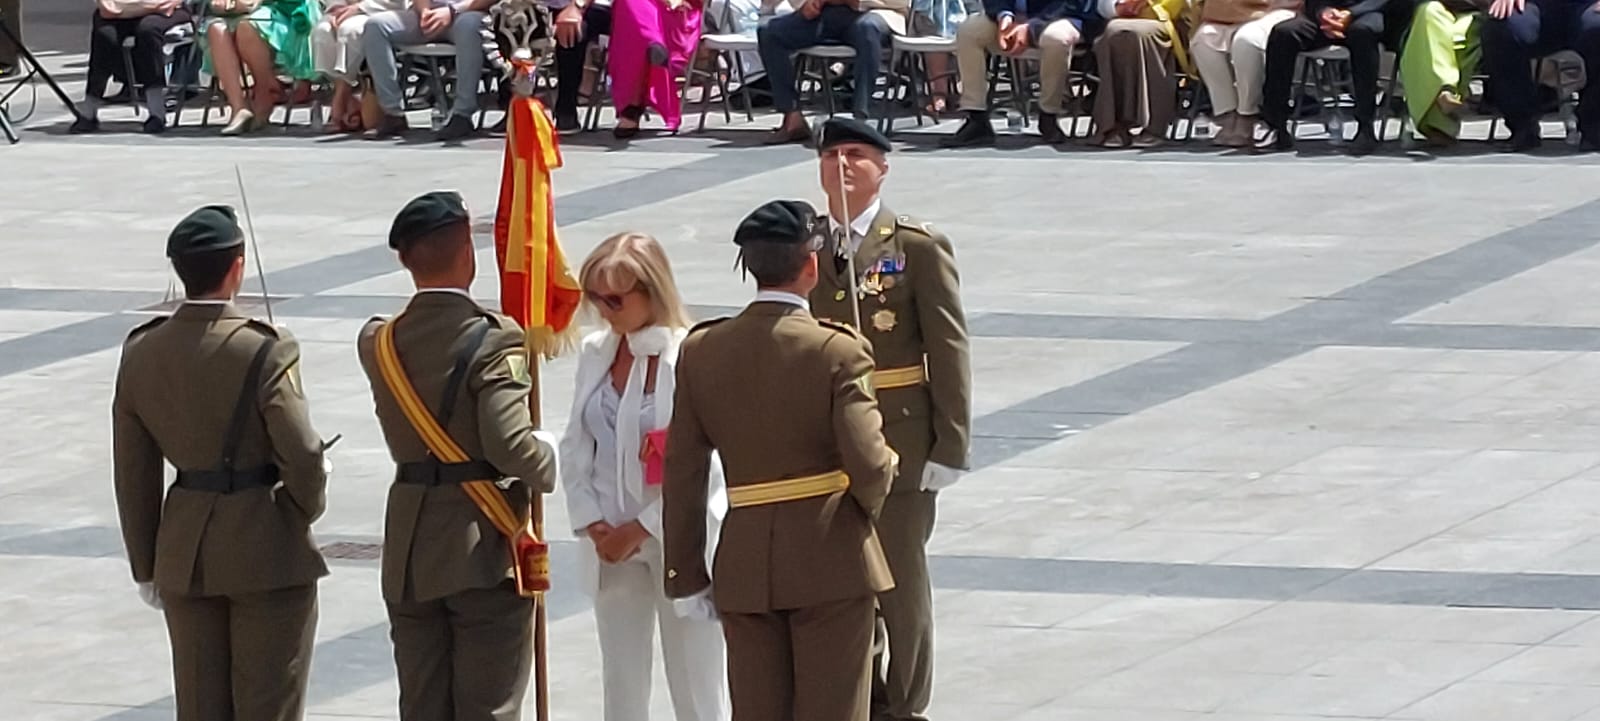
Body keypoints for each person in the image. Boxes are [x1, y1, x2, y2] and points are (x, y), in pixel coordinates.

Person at [662, 199, 900, 721]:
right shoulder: (838, 350)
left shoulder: (703, 350)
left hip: (745, 563)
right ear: (811, 265)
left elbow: (682, 470)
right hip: (831, 555)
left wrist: (685, 571)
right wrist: (867, 506)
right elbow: (869, 462)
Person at [112, 205, 329, 721]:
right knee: (268, 706)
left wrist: (147, 564)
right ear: (238, 266)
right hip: (265, 548)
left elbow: (134, 473)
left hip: (185, 555)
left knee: (200, 708)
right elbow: (301, 452)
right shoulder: (265, 348)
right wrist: (300, 509)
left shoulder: (142, 351)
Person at [357, 191, 560, 721]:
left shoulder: (377, 341)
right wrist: (550, 458)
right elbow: (509, 445)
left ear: (405, 260)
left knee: (422, 706)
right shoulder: (494, 340)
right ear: (468, 253)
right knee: (488, 707)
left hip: (409, 548)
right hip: (480, 548)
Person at [806, 118, 971, 721]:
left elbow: (947, 348)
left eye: (856, 155)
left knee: (899, 577)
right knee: (843, 578)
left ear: (883, 166)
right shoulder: (808, 246)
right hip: (826, 439)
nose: (842, 166)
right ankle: (862, 694)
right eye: (831, 156)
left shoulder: (913, 245)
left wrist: (950, 445)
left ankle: (905, 702)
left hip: (900, 434)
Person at [560, 232, 730, 721]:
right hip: (610, 543)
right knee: (622, 682)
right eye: (594, 297)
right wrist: (593, 522)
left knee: (697, 684)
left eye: (615, 298)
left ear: (652, 292)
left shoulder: (690, 355)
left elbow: (707, 468)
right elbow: (576, 444)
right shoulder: (596, 351)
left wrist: (641, 528)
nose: (604, 309)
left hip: (676, 541)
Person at [1258, 0, 1413, 154]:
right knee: (1284, 33)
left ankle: (1365, 127)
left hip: (1371, 13)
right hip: (1330, 17)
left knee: (1361, 32)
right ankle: (1275, 124)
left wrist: (1352, 13)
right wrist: (1323, 12)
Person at [940, 0, 1104, 146]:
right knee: (969, 31)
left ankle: (1049, 115)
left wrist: (1030, 27)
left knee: (1055, 39)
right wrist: (1003, 15)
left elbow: (1073, 5)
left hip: (1062, 16)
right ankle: (977, 119)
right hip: (1015, 18)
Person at [754, 0, 911, 144]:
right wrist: (805, 3)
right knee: (769, 32)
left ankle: (860, 121)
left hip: (874, 12)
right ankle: (792, 118)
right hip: (824, 13)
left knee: (867, 28)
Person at [364, 0, 501, 141]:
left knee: (469, 26)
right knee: (376, 25)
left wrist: (451, 11)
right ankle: (393, 113)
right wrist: (424, 12)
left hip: (467, 12)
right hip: (429, 15)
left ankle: (462, 114)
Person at [1479, 0, 1600, 151]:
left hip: (1588, 5)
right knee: (1502, 27)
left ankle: (1594, 126)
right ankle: (1522, 125)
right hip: (1537, 6)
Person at [1189, 0, 1301, 147]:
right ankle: (1226, 113)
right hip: (1227, 13)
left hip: (1274, 9)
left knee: (1246, 40)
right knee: (1202, 40)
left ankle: (1247, 114)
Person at [72, 0, 194, 135]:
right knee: (105, 34)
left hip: (166, 9)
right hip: (123, 11)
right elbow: (108, 9)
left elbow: (164, 6)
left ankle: (157, 113)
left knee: (148, 30)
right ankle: (89, 111)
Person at [203, 0, 323, 135]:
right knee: (216, 29)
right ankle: (239, 108)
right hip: (236, 11)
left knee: (247, 27)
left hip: (281, 10)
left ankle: (265, 90)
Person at [1088, 0, 1194, 147]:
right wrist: (1116, 7)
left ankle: (1154, 125)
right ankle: (1113, 125)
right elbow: (1102, 6)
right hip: (1122, 19)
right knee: (1115, 31)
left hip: (1168, 20)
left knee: (1139, 34)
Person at [1400, 0, 1487, 146]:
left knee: (1462, 39)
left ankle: (1438, 121)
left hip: (1475, 13)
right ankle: (1447, 90)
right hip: (1436, 8)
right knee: (1428, 12)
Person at [312, 0, 405, 132]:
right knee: (322, 31)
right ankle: (346, 97)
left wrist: (359, 7)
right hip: (344, 7)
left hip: (378, 9)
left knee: (349, 31)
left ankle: (341, 97)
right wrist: (337, 7)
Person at [550, 0, 613, 133]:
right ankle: (512, 106)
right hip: (544, 6)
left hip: (590, 6)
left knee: (573, 29)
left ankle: (566, 109)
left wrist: (576, 6)